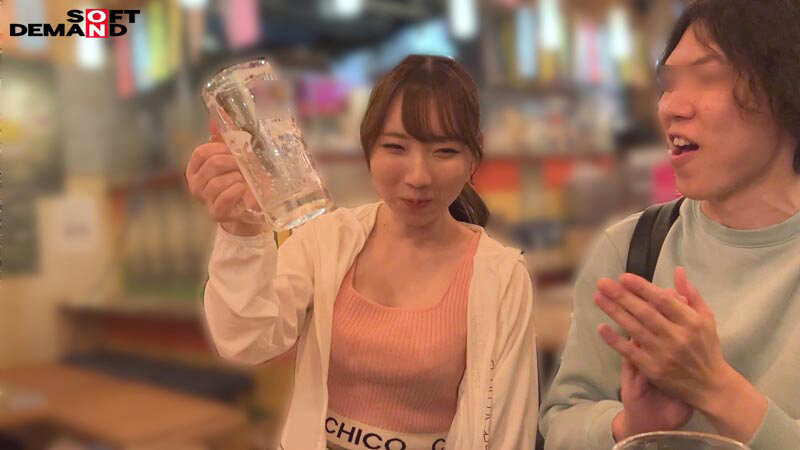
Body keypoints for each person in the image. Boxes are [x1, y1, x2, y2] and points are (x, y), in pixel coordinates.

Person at [186, 55, 538, 450]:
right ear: (368, 148)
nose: (418, 176)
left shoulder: (501, 276)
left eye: (444, 151)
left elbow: (509, 433)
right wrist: (242, 230)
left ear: (475, 155)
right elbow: (247, 339)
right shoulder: (327, 240)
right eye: (395, 147)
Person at [539, 0, 800, 449]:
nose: (670, 107)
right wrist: (630, 425)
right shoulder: (633, 247)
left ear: (786, 90)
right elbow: (562, 420)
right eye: (669, 84)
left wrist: (714, 387)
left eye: (708, 76)